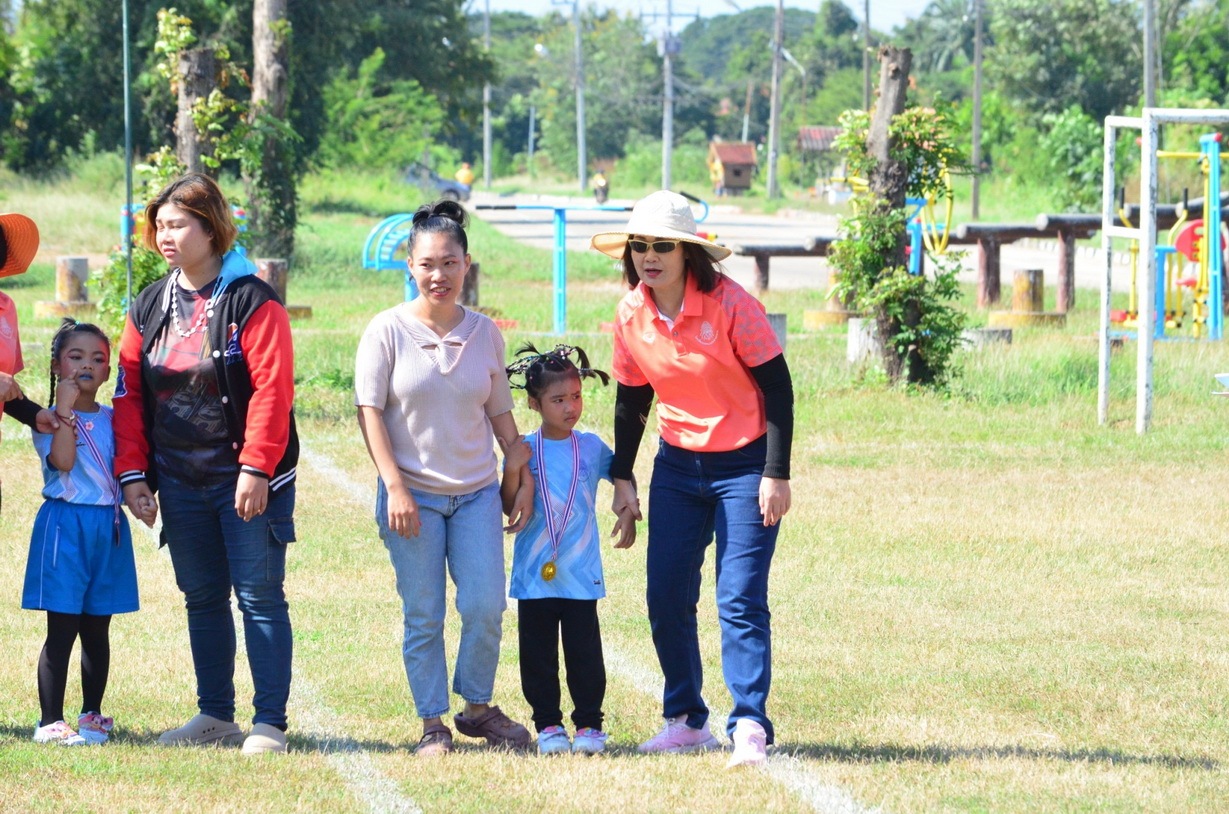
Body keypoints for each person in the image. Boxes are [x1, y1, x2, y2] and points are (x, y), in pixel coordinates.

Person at [589, 190, 794, 768]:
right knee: (666, 594)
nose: (649, 257)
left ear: (687, 252)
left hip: (745, 465)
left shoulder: (732, 305)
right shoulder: (630, 313)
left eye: (663, 246)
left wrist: (776, 472)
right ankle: (685, 720)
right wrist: (623, 477)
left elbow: (778, 388)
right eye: (639, 246)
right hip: (677, 466)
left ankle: (749, 723)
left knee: (739, 596)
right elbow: (632, 400)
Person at [112, 172, 299, 755]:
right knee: (202, 597)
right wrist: (134, 474)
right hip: (178, 479)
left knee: (259, 596)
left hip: (245, 478)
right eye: (160, 226)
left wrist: (256, 468)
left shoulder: (252, 299)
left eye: (178, 225)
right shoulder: (149, 303)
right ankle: (215, 715)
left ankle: (269, 722)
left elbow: (272, 391)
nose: (165, 236)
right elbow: (129, 392)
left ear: (211, 228)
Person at [355, 199, 534, 757]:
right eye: (428, 264)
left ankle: (476, 708)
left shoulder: (485, 333)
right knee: (424, 613)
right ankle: (432, 723)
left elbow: (500, 412)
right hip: (413, 497)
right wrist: (396, 487)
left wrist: (520, 466)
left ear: (466, 265)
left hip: (477, 494)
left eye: (450, 263)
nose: (439, 275)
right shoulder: (385, 331)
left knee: (485, 605)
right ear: (410, 265)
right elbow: (369, 412)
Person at [502, 343, 635, 755]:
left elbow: (622, 475)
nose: (570, 407)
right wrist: (512, 467)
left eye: (575, 396)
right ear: (534, 404)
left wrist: (627, 508)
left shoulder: (591, 446)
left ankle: (590, 726)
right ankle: (548, 726)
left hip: (580, 571)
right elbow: (508, 504)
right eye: (558, 400)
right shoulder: (525, 448)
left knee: (585, 652)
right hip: (534, 571)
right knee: (537, 654)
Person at [23, 319, 139, 747]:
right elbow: (65, 462)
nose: (87, 365)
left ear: (108, 371)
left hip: (107, 526)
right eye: (76, 357)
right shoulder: (48, 420)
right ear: (57, 366)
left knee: (97, 628)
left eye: (98, 358)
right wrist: (65, 410)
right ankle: (50, 721)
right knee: (63, 627)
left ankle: (91, 714)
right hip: (65, 526)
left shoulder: (114, 419)